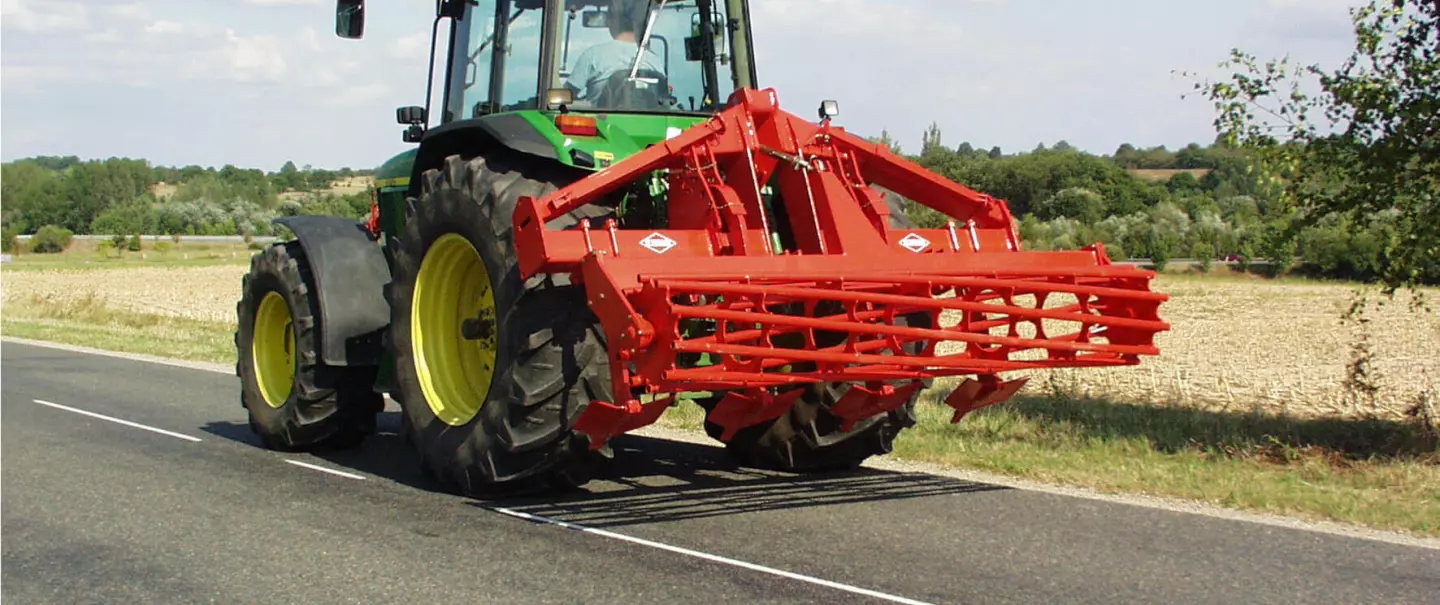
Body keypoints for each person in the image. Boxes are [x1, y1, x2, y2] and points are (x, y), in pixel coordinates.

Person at [565, 0, 664, 104]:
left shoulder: (593, 56)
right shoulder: (655, 62)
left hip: (601, 119)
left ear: (612, 20)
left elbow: (565, 95)